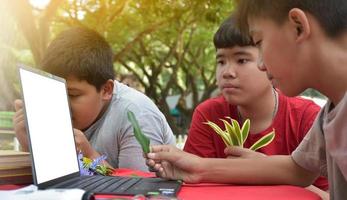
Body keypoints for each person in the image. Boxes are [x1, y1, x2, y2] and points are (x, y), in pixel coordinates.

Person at [146, 0, 347, 198]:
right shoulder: (329, 113)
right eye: (221, 61)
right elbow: (296, 170)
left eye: (259, 42)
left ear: (298, 27)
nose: (261, 64)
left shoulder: (313, 113)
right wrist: (197, 168)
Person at [183, 16, 328, 191]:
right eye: (221, 61)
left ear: (267, 61)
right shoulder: (208, 114)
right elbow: (192, 188)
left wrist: (267, 171)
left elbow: (328, 195)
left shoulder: (307, 117)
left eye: (242, 60)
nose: (227, 72)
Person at [13, 27, 175, 171]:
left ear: (106, 90)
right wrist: (29, 144)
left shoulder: (136, 114)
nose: (61, 104)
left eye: (73, 95)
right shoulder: (67, 112)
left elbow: (141, 188)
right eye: (55, 93)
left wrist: (89, 155)